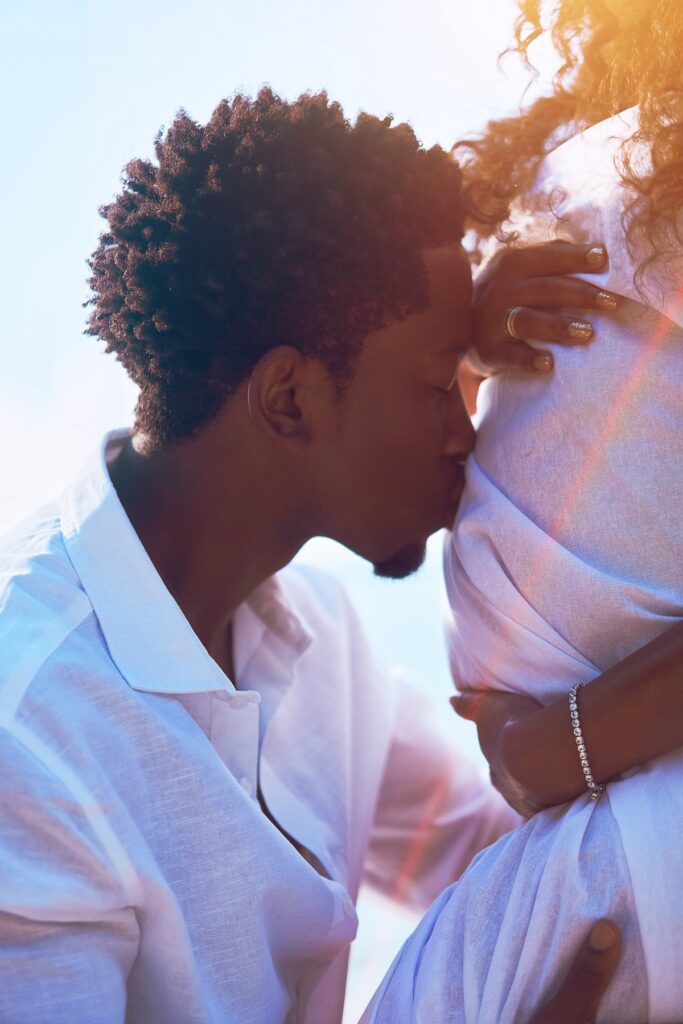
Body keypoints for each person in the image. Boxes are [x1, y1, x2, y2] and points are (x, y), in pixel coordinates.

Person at [0, 88, 678, 1024]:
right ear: (288, 399)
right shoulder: (27, 736)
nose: (468, 432)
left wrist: (546, 742)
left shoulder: (314, 635)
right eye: (444, 385)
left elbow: (511, 845)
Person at [362, 1, 683, 1021]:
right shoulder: (613, 162)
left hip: (621, 807)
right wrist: (466, 338)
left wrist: (547, 746)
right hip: (593, 803)